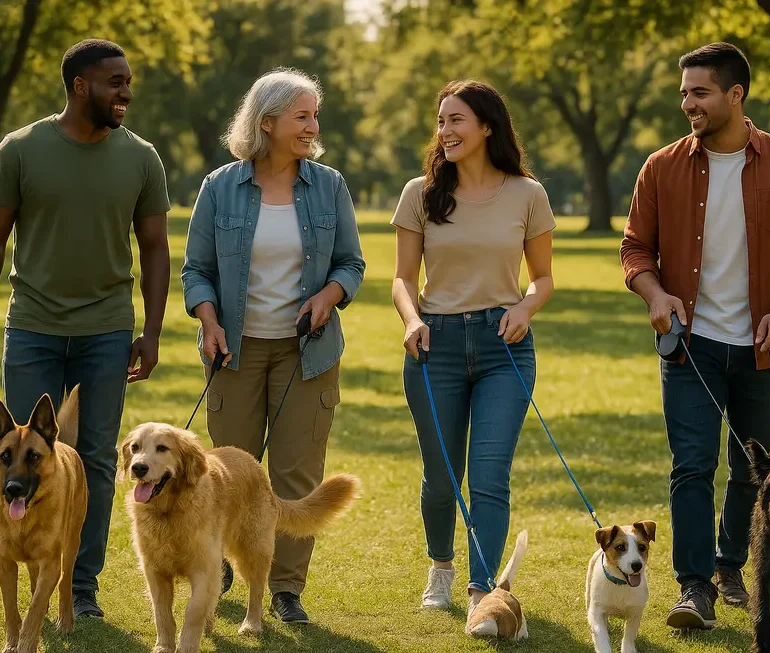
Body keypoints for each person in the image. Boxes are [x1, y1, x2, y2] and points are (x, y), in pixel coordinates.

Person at [620, 42, 770, 631]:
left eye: (699, 93)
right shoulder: (661, 166)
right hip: (690, 344)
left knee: (753, 471)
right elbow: (635, 251)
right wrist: (656, 296)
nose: (687, 103)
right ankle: (694, 586)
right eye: (683, 93)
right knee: (690, 466)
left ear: (735, 95)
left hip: (765, 347)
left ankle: (731, 567)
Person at [181, 68, 365, 624]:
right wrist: (208, 321)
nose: (314, 125)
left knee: (296, 474)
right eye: (302, 116)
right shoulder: (220, 187)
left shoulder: (329, 185)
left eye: (315, 114)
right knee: (226, 474)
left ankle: (285, 588)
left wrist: (329, 296)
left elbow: (351, 263)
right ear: (267, 122)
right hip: (233, 352)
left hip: (306, 352)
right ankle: (227, 565)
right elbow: (197, 270)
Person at [0, 39, 171, 618]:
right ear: (80, 86)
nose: (126, 92)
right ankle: (29, 584)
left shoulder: (142, 158)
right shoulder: (20, 151)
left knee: (96, 459)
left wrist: (150, 331)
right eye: (114, 82)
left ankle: (81, 589)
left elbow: (153, 248)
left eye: (128, 82)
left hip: (105, 331)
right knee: (24, 457)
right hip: (32, 326)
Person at [390, 79, 555, 632]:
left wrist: (525, 309)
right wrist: (412, 320)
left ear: (488, 126)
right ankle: (440, 567)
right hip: (433, 344)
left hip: (502, 346)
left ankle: (484, 590)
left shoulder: (527, 193)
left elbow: (544, 278)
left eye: (456, 120)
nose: (445, 131)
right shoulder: (420, 192)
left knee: (489, 477)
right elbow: (402, 279)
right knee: (441, 479)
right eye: (441, 122)